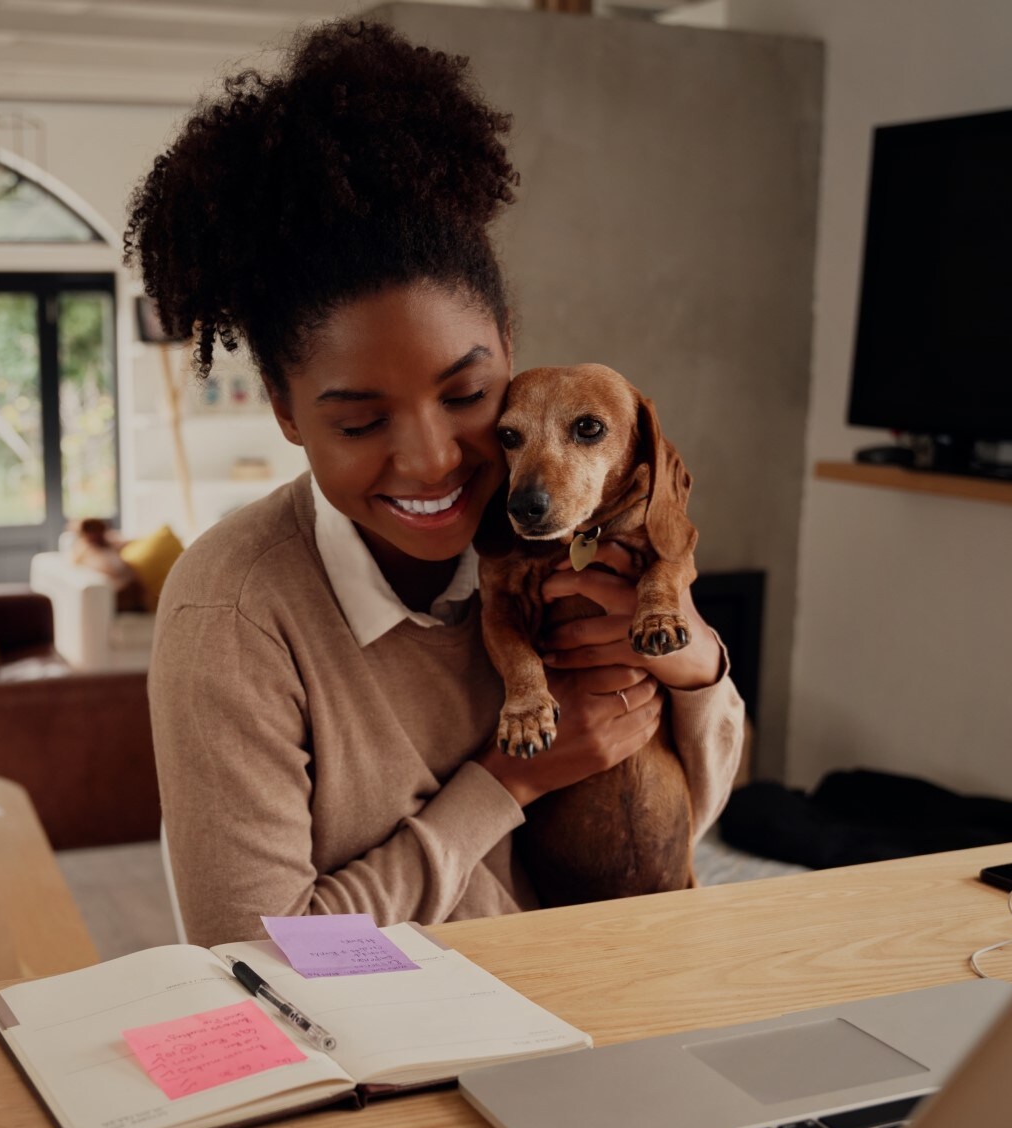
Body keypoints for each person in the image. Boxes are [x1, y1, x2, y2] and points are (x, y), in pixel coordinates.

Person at [131, 21, 747, 948]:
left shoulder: (556, 530)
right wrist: (511, 781)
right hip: (411, 1065)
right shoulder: (234, 614)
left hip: (626, 981)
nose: (431, 462)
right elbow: (255, 958)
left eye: (465, 393)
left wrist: (692, 660)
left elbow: (681, 819)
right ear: (287, 414)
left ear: (509, 344)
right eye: (358, 420)